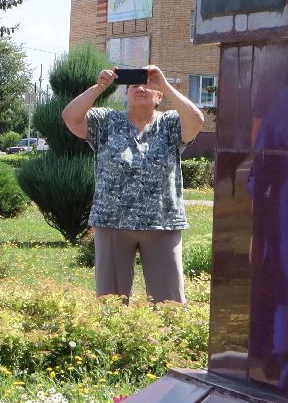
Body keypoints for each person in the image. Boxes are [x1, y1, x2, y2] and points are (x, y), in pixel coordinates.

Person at [61, 65, 203, 303]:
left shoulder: (169, 124)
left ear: (158, 97)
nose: (140, 88)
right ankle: (113, 340)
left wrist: (165, 85)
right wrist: (99, 87)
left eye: (147, 85)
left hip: (162, 223)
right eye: (134, 85)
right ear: (125, 94)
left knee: (170, 303)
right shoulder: (106, 120)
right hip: (112, 221)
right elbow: (70, 117)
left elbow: (197, 121)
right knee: (110, 303)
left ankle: (167, 340)